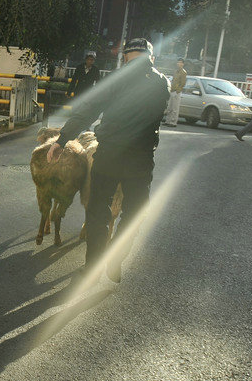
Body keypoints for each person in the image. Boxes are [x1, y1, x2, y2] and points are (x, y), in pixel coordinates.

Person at [46, 38, 170, 282]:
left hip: (109, 155)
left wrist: (62, 140)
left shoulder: (115, 80)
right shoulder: (161, 82)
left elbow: (88, 110)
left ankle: (92, 266)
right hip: (141, 160)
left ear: (125, 57)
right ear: (150, 58)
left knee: (97, 210)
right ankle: (116, 258)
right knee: (135, 212)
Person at [164, 58, 187, 127]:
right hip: (172, 90)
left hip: (176, 92)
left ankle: (173, 122)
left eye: (180, 62)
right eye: (178, 62)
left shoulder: (183, 72)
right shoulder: (176, 71)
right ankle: (168, 121)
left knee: (175, 108)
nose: (179, 64)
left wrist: (177, 91)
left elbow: (183, 83)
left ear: (183, 64)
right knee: (170, 107)